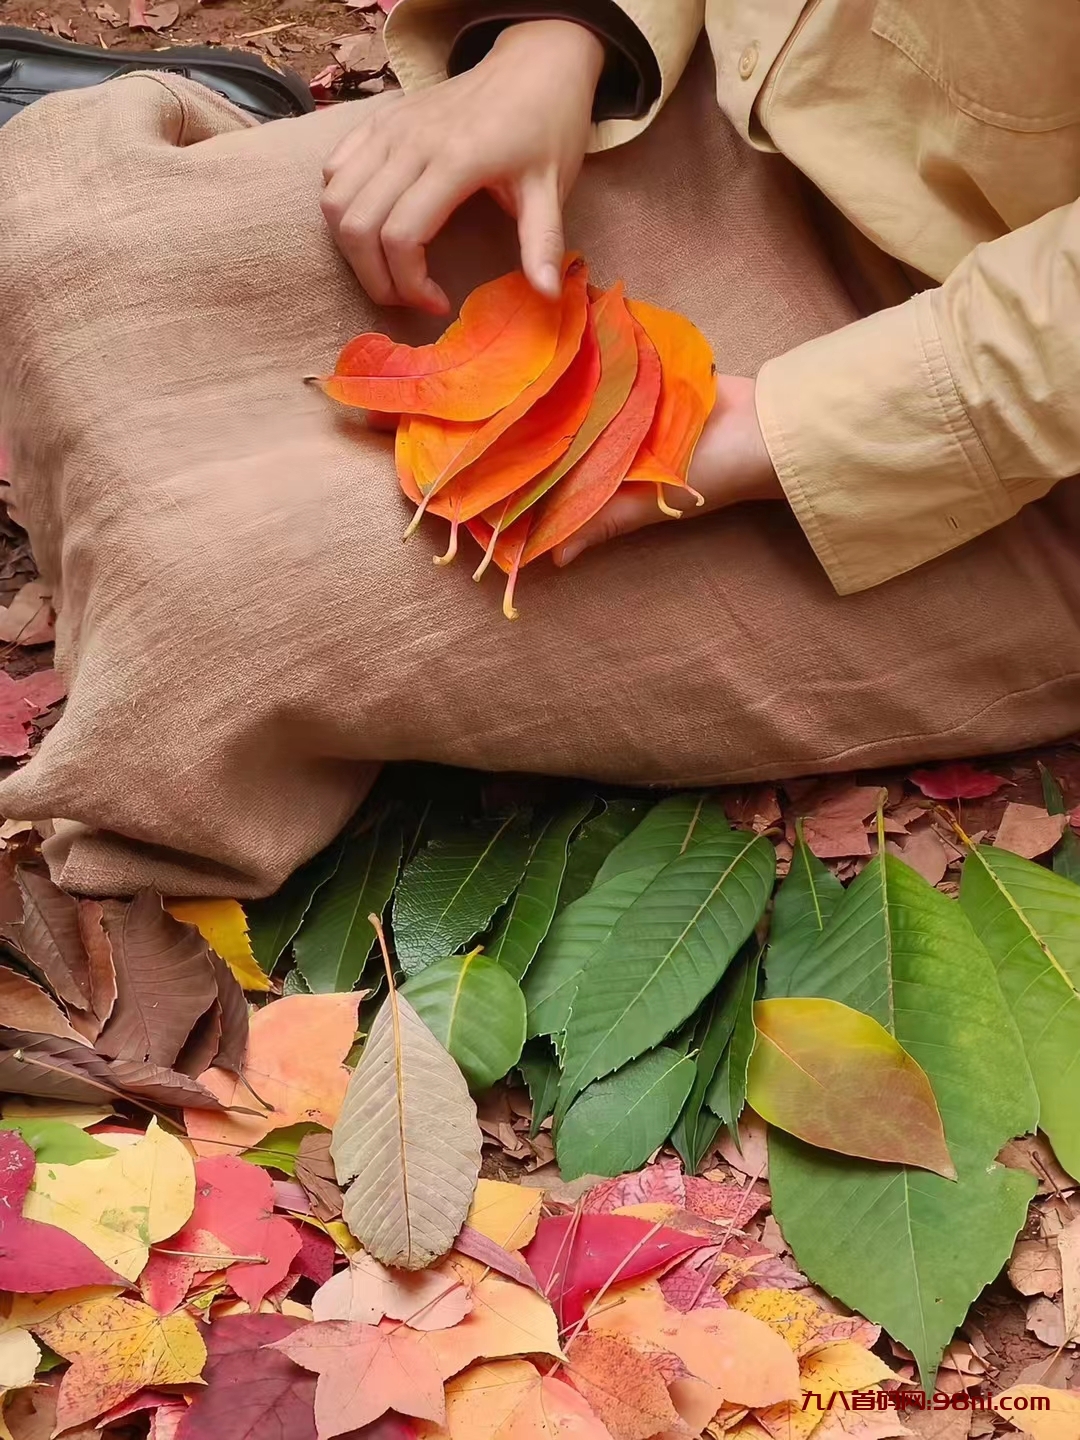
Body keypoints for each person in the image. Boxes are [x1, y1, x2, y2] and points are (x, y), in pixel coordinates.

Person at [1, 0, 1079, 897]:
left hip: (1001, 430)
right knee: (57, 231)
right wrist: (561, 37)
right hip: (733, 116)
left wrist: (775, 433)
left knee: (235, 606)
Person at [328, 0, 1080, 591]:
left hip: (1006, 391)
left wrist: (813, 428)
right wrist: (563, 28)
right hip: (703, 83)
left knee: (316, 571)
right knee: (261, 240)